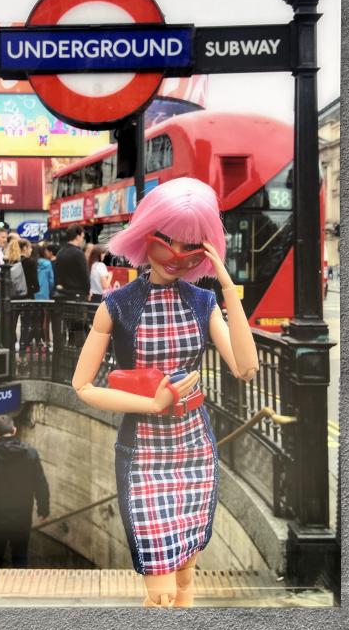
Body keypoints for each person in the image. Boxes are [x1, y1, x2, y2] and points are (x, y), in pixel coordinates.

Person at [71, 178, 259, 608]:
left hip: (194, 449)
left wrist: (228, 287)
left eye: (191, 246)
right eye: (167, 241)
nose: (177, 256)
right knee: (160, 593)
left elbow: (246, 368)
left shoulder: (203, 302)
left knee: (187, 581)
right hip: (144, 453)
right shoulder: (117, 305)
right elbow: (82, 386)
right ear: (144, 237)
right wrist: (153, 403)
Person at [0, 415, 50, 568]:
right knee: (20, 559)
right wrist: (44, 510)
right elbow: (40, 484)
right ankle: (19, 588)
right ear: (14, 430)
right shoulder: (31, 454)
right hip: (21, 519)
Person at [54, 224, 89, 300]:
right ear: (78, 237)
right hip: (77, 296)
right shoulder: (79, 253)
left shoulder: (60, 252)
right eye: (82, 237)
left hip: (62, 294)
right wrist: (87, 292)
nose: (83, 240)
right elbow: (84, 275)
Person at [19, 239, 41, 348]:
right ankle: (23, 350)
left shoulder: (13, 261)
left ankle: (13, 352)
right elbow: (35, 284)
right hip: (28, 297)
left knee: (12, 324)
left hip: (15, 297)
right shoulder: (30, 262)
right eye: (29, 247)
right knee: (26, 324)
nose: (31, 249)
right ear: (24, 248)